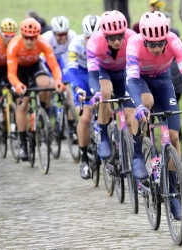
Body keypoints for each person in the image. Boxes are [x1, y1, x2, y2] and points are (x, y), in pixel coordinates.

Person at [126, 11, 182, 220]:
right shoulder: (134, 43)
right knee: (146, 104)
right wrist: (139, 106)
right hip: (139, 80)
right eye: (152, 44)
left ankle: (173, 189)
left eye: (161, 43)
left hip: (163, 81)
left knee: (174, 136)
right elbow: (131, 80)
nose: (158, 48)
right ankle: (137, 155)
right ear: (144, 39)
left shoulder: (174, 41)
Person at [7, 18, 66, 160]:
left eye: (33, 38)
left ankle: (43, 113)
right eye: (27, 37)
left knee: (46, 83)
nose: (29, 41)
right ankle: (22, 144)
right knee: (23, 103)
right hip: (19, 70)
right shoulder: (14, 45)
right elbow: (11, 74)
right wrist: (18, 85)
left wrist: (58, 81)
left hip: (34, 66)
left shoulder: (42, 43)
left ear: (37, 36)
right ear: (22, 35)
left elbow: (54, 66)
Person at [86, 10, 135, 159]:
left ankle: (134, 150)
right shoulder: (94, 42)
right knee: (105, 92)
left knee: (130, 116)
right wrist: (97, 93)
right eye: (112, 38)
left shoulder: (133, 38)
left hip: (124, 72)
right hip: (103, 71)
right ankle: (104, 137)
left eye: (120, 36)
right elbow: (93, 76)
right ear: (105, 35)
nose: (117, 41)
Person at [68, 14, 101, 179]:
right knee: (85, 118)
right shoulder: (75, 43)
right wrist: (77, 87)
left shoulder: (107, 43)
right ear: (83, 35)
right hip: (82, 75)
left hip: (100, 73)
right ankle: (84, 159)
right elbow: (71, 70)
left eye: (95, 37)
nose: (92, 41)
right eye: (88, 38)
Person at [41, 16, 77, 82]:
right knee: (50, 84)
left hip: (58, 59)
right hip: (45, 61)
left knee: (65, 82)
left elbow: (74, 56)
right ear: (54, 33)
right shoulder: (46, 39)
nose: (63, 37)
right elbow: (41, 60)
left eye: (65, 33)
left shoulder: (73, 36)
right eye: (60, 35)